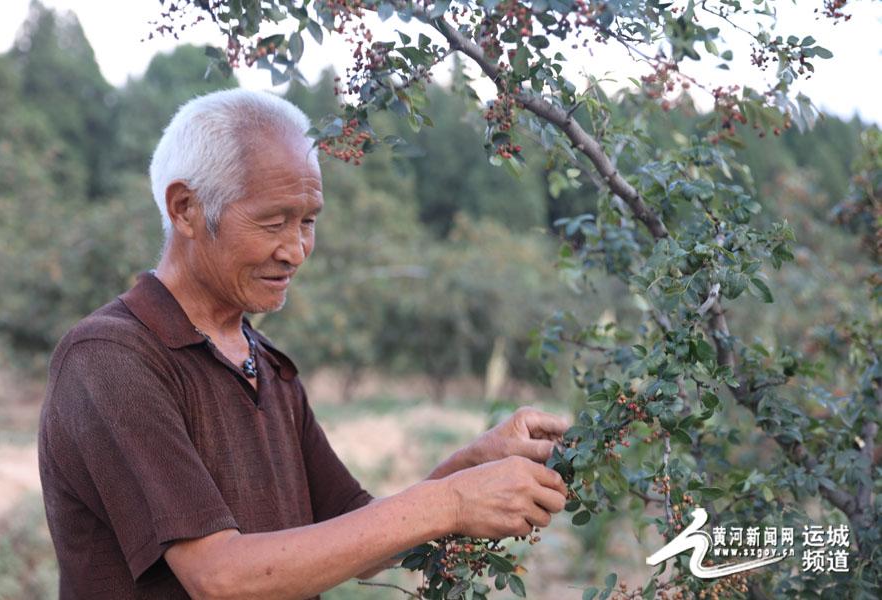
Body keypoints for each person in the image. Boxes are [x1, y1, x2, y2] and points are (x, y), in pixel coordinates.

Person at [38, 88, 570, 600]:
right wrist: (448, 503)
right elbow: (219, 577)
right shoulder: (111, 360)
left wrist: (471, 465)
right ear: (185, 209)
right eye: (273, 222)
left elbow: (355, 537)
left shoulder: (263, 362)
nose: (295, 251)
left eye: (308, 222)